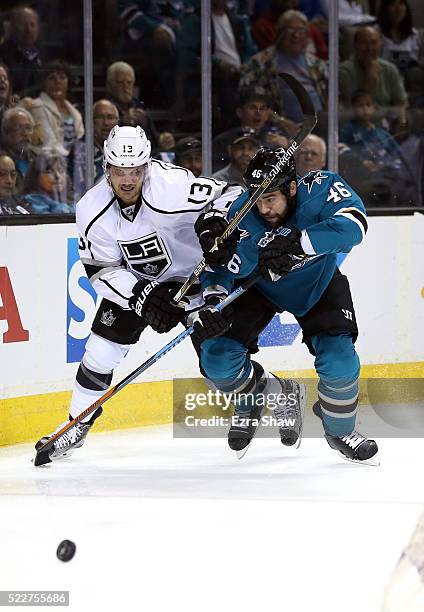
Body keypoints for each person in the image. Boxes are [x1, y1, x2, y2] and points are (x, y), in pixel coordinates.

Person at [34, 125, 244, 464]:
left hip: (196, 278)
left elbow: (232, 193)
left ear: (147, 166)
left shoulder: (173, 186)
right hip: (138, 283)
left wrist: (214, 221)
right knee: (100, 351)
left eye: (135, 171)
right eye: (119, 171)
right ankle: (76, 422)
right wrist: (141, 296)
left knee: (217, 360)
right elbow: (101, 271)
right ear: (107, 169)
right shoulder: (91, 209)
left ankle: (272, 397)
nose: (128, 180)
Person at [190, 147, 378, 462]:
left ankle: (339, 430)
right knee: (217, 359)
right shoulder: (241, 214)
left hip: (318, 283)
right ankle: (255, 396)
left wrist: (298, 243)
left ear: (292, 187)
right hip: (260, 288)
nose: (263, 208)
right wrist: (213, 301)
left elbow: (355, 225)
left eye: (271, 198)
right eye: (258, 199)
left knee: (340, 362)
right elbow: (218, 268)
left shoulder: (320, 187)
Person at [240, 9, 328, 122]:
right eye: (290, 30)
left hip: (319, 123)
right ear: (280, 34)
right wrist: (280, 121)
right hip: (281, 127)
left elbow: (331, 98)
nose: (296, 35)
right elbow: (249, 100)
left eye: (301, 30)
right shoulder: (262, 62)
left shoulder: (316, 64)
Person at [339, 26, 408, 123]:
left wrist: (402, 123)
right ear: (355, 46)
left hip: (388, 125)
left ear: (381, 45)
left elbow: (401, 102)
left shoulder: (390, 69)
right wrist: (369, 78)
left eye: (374, 42)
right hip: (358, 127)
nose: (369, 48)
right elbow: (357, 110)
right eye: (364, 43)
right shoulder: (344, 71)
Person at [26, 60, 84, 156]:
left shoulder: (76, 113)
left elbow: (81, 141)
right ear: (43, 83)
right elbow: (49, 144)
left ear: (68, 82)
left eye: (62, 77)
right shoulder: (36, 107)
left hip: (76, 162)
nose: (57, 81)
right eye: (52, 78)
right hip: (50, 162)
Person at [105, 61, 159, 151]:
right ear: (109, 85)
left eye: (129, 82)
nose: (125, 87)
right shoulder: (103, 108)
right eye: (120, 82)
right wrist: (122, 122)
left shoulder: (139, 107)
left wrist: (162, 140)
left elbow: (154, 141)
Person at [0, 7, 44, 96]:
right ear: (12, 27)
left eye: (32, 25)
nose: (28, 30)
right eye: (23, 24)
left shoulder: (45, 54)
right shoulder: (3, 54)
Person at [21, 148, 74, 214]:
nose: (57, 176)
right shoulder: (30, 202)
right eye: (49, 171)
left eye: (61, 170)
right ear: (36, 176)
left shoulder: (74, 202)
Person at [0, 107, 36, 192]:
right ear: (5, 132)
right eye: (18, 128)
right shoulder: (2, 162)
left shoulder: (38, 158)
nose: (25, 133)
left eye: (28, 128)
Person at [93, 99, 120, 182]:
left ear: (118, 122)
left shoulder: (126, 150)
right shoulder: (79, 151)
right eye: (100, 117)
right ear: (91, 121)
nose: (106, 123)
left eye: (110, 117)